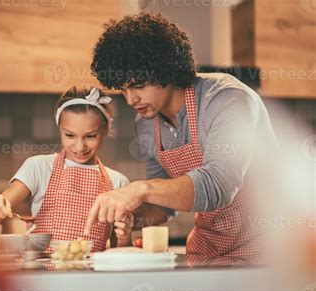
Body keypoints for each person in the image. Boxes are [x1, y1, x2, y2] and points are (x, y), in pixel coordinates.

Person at [84, 13, 279, 260]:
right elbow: (164, 203)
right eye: (123, 88)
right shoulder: (145, 123)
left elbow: (219, 185)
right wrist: (134, 217)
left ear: (168, 69)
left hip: (270, 245)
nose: (131, 99)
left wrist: (139, 189)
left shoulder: (227, 99)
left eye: (139, 85)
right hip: (210, 246)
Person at [0, 85, 133, 251]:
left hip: (91, 276)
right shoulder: (38, 167)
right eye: (69, 135)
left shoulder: (118, 182)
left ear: (105, 130)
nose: (80, 147)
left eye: (90, 136)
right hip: (42, 275)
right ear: (60, 129)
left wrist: (125, 236)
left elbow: (121, 254)